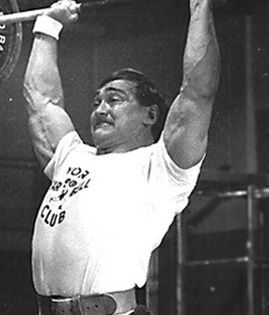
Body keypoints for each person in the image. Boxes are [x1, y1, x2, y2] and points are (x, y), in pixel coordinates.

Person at [22, 0, 220, 313]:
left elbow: (198, 92)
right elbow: (41, 102)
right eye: (96, 102)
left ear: (150, 114)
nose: (100, 109)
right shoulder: (72, 157)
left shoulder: (160, 168)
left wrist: (199, 7)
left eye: (114, 100)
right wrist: (48, 26)